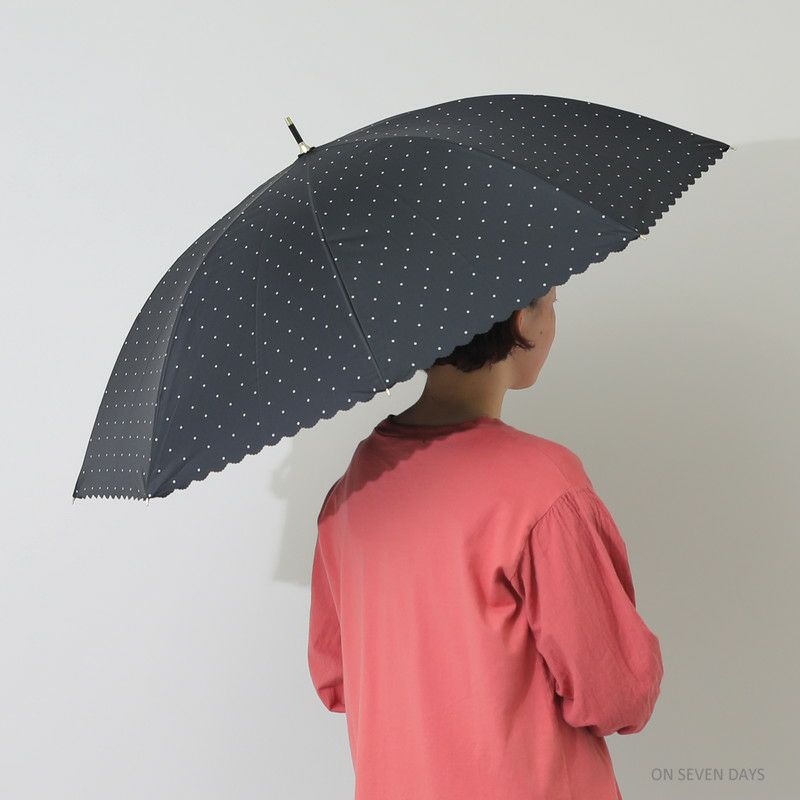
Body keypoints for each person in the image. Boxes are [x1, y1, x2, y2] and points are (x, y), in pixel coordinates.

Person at [308, 285, 664, 800]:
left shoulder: (351, 491)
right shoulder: (543, 484)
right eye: (552, 304)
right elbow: (616, 693)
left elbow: (335, 678)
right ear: (522, 318)